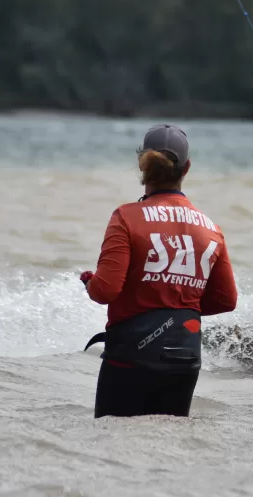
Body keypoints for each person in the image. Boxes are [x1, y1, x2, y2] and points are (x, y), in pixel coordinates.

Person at [80, 124, 238, 418]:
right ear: (186, 168)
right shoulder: (211, 229)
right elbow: (226, 300)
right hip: (185, 360)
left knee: (112, 447)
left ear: (142, 164)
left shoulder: (126, 217)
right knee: (171, 448)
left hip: (130, 360)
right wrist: (174, 306)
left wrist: (90, 283)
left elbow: (106, 291)